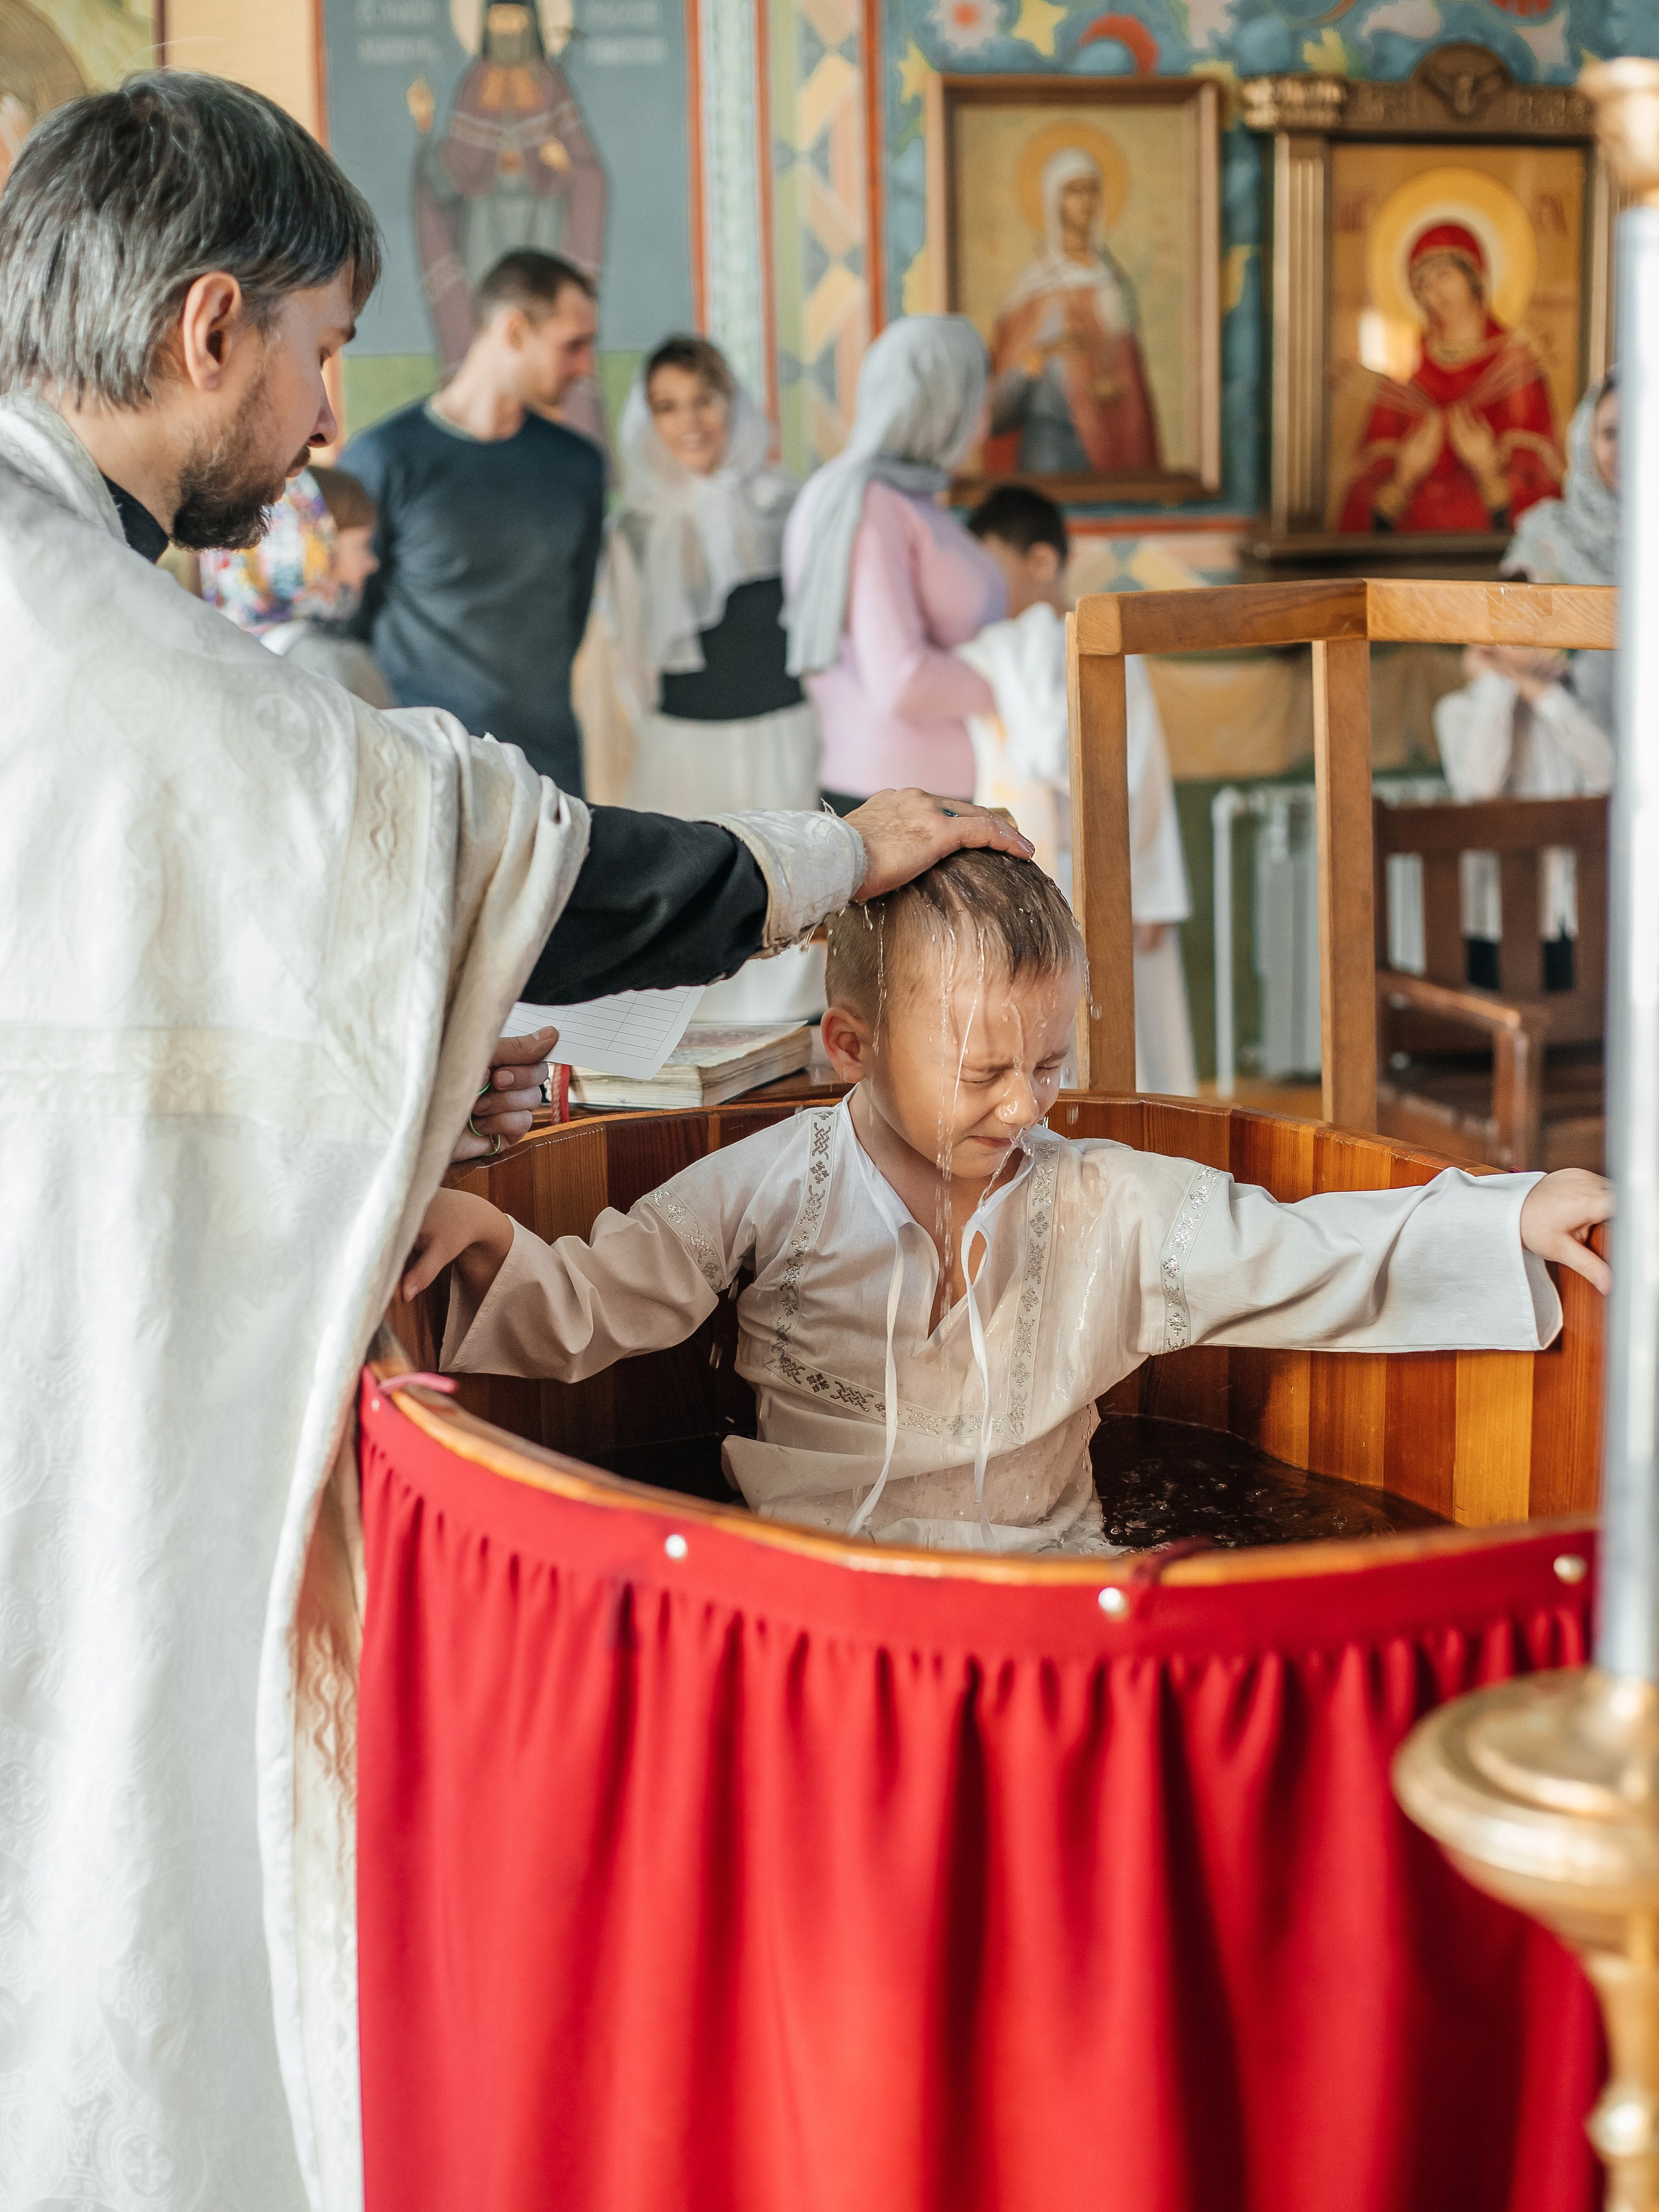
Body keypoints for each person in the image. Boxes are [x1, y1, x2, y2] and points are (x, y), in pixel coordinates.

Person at [0, 72, 1030, 2212]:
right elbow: (488, 856)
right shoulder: (91, 629)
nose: (311, 419)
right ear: (208, 329)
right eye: (304, 357)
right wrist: (840, 853)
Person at [407, 848, 1611, 1554]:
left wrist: (1506, 1215)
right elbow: (597, 1297)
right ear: (850, 1043)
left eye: (1047, 1066)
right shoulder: (774, 1186)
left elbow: (1306, 1251)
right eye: (982, 1073)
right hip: (818, 1588)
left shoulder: (1107, 1206)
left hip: (1057, 1591)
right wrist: (483, 1236)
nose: (1025, 1107)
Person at [601, 332, 823, 1019]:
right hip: (682, 751)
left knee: (794, 923)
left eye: (704, 400)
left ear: (732, 404)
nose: (690, 421)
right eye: (668, 406)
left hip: (781, 739)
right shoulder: (632, 528)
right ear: (648, 421)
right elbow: (626, 664)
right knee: (697, 934)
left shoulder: (787, 505)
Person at [959, 483, 1196, 1094]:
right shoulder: (992, 650)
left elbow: (1136, 775)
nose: (979, 587)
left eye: (990, 568)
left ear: (1042, 561)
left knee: (1125, 1038)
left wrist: (1151, 893)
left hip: (1103, 867)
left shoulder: (1082, 641)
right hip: (1026, 869)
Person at [342, 246, 605, 791]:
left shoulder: (578, 465)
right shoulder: (384, 460)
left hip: (550, 774)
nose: (585, 367)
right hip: (427, 770)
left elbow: (571, 614)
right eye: (572, 345)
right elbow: (348, 627)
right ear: (513, 330)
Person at [1433, 373, 1619, 989]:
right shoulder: (1549, 534)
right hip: (1581, 743)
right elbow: (1497, 633)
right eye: (1612, 432)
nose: (1628, 449)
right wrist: (1519, 674)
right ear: (1584, 436)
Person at [782, 314, 1006, 808]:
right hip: (907, 804)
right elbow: (902, 679)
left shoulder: (901, 495)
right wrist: (1026, 679)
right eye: (979, 404)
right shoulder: (867, 502)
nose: (984, 428)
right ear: (939, 404)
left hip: (929, 793)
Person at [409, 0, 607, 445]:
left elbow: (588, 170)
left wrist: (563, 166)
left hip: (542, 219)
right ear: (485, 28)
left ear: (532, 25)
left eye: (516, 22)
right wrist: (425, 130)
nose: (507, 31)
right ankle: (489, 419)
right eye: (498, 22)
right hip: (486, 220)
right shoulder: (474, 84)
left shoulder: (553, 85)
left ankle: (549, 428)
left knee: (546, 322)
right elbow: (452, 169)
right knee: (496, 319)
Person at [1339, 222, 1562, 535]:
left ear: (1475, 278)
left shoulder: (1514, 368)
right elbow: (1359, 505)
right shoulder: (1403, 375)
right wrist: (1405, 476)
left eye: (1444, 276)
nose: (1436, 293)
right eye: (1424, 284)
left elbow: (1544, 496)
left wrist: (1487, 470)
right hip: (1407, 558)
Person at [986, 147, 1160, 478]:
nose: (1085, 201)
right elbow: (1000, 405)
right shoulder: (1031, 290)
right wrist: (1043, 353)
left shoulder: (1115, 283)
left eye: (1092, 190)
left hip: (1110, 445)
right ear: (1053, 200)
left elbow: (1131, 375)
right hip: (1046, 445)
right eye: (1073, 191)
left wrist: (1115, 386)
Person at [200, 461, 395, 706]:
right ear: (314, 557)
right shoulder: (339, 667)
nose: (372, 563)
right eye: (363, 546)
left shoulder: (208, 655)